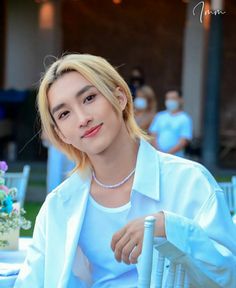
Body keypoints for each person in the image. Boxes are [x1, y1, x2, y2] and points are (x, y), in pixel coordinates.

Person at [14, 54, 236, 288]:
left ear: (119, 98)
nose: (82, 118)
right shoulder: (58, 206)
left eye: (89, 98)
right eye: (64, 114)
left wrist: (170, 229)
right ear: (61, 134)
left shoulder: (189, 182)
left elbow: (230, 275)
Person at [149, 88, 192, 157]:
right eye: (168, 98)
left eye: (173, 98)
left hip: (176, 158)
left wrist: (168, 154)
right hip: (158, 156)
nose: (170, 101)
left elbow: (184, 140)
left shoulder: (185, 119)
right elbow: (153, 134)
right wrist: (159, 152)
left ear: (181, 100)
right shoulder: (159, 116)